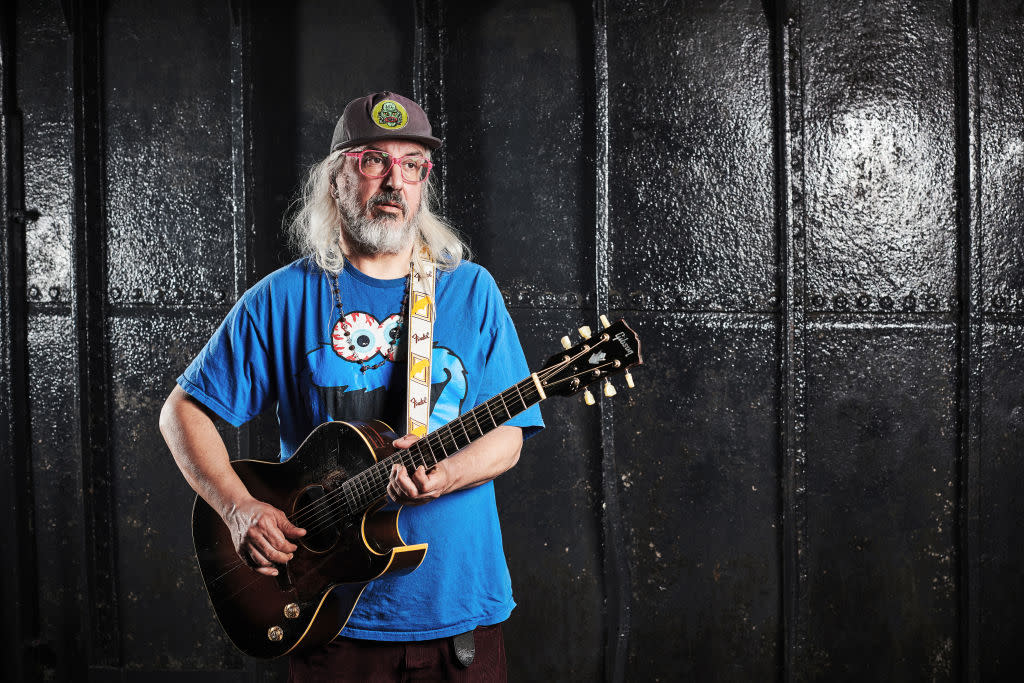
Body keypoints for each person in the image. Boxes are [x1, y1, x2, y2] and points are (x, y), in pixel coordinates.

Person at [159, 91, 543, 681]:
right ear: (337, 177)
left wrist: (442, 476)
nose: (394, 181)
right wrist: (237, 509)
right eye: (373, 161)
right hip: (328, 617)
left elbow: (509, 438)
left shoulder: (470, 291)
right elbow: (180, 412)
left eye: (411, 165)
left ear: (424, 181)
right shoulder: (281, 299)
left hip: (457, 610)